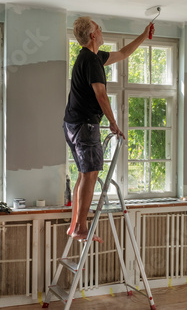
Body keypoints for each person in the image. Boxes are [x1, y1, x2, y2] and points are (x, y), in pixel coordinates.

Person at [64, 16, 154, 243]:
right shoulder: (91, 61)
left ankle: (75, 224)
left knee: (85, 174)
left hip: (73, 124)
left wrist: (144, 35)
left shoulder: (90, 57)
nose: (102, 31)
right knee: (91, 173)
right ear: (93, 35)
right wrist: (113, 123)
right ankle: (81, 228)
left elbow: (123, 54)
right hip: (85, 124)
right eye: (99, 28)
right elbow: (101, 94)